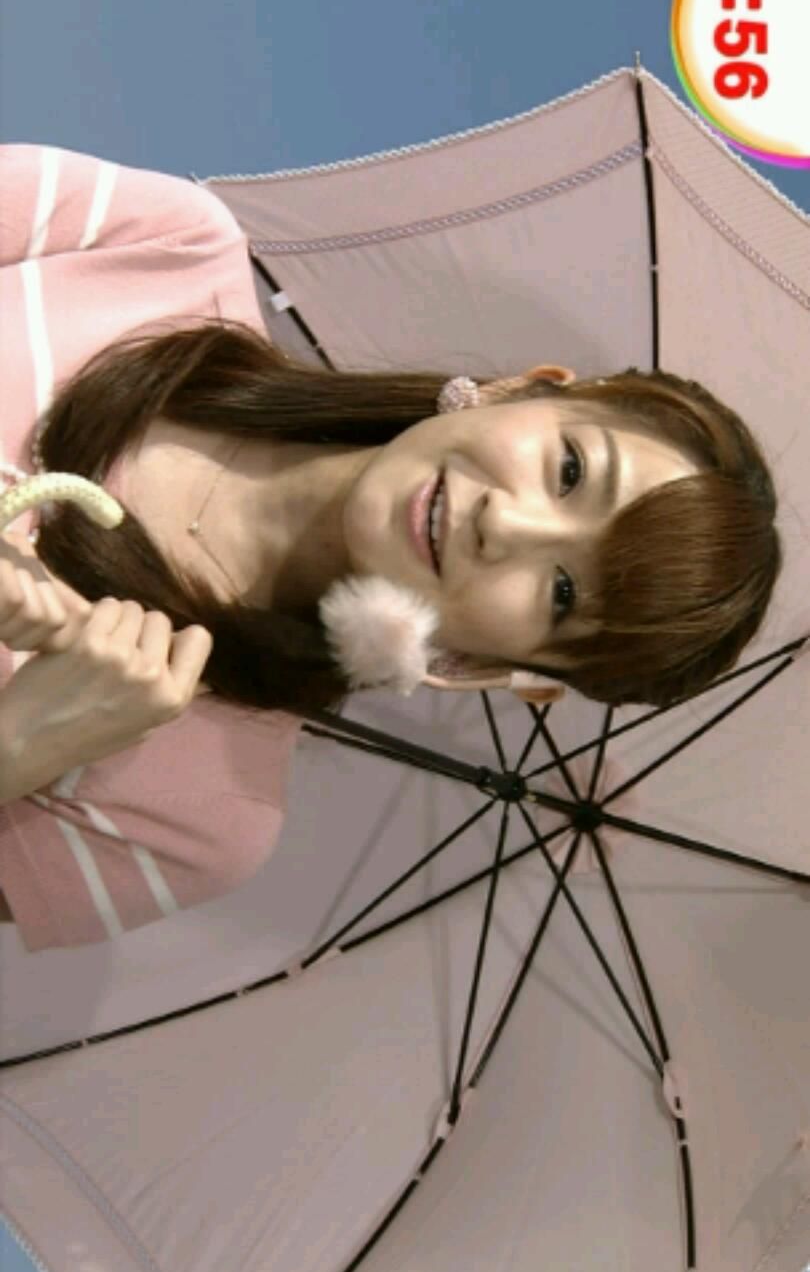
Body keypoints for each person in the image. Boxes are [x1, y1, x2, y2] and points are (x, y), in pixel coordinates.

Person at [0, 145, 782, 949]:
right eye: (571, 470)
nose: (508, 526)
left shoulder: (202, 828)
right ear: (523, 388)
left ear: (482, 669)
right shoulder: (168, 246)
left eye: (562, 594)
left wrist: (21, 745)